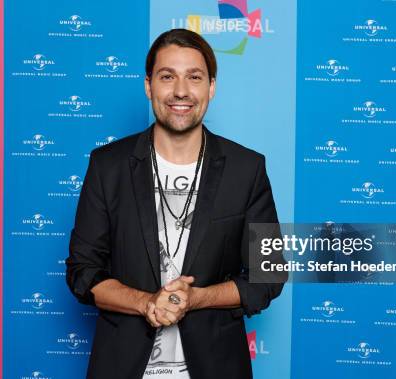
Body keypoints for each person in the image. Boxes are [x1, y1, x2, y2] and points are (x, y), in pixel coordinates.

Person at [66, 28, 285, 379]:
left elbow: (269, 273)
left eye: (194, 77)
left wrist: (196, 298)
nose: (181, 91)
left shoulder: (247, 169)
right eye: (167, 76)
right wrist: (146, 302)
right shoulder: (107, 166)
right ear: (148, 85)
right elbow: (83, 272)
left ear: (211, 87)